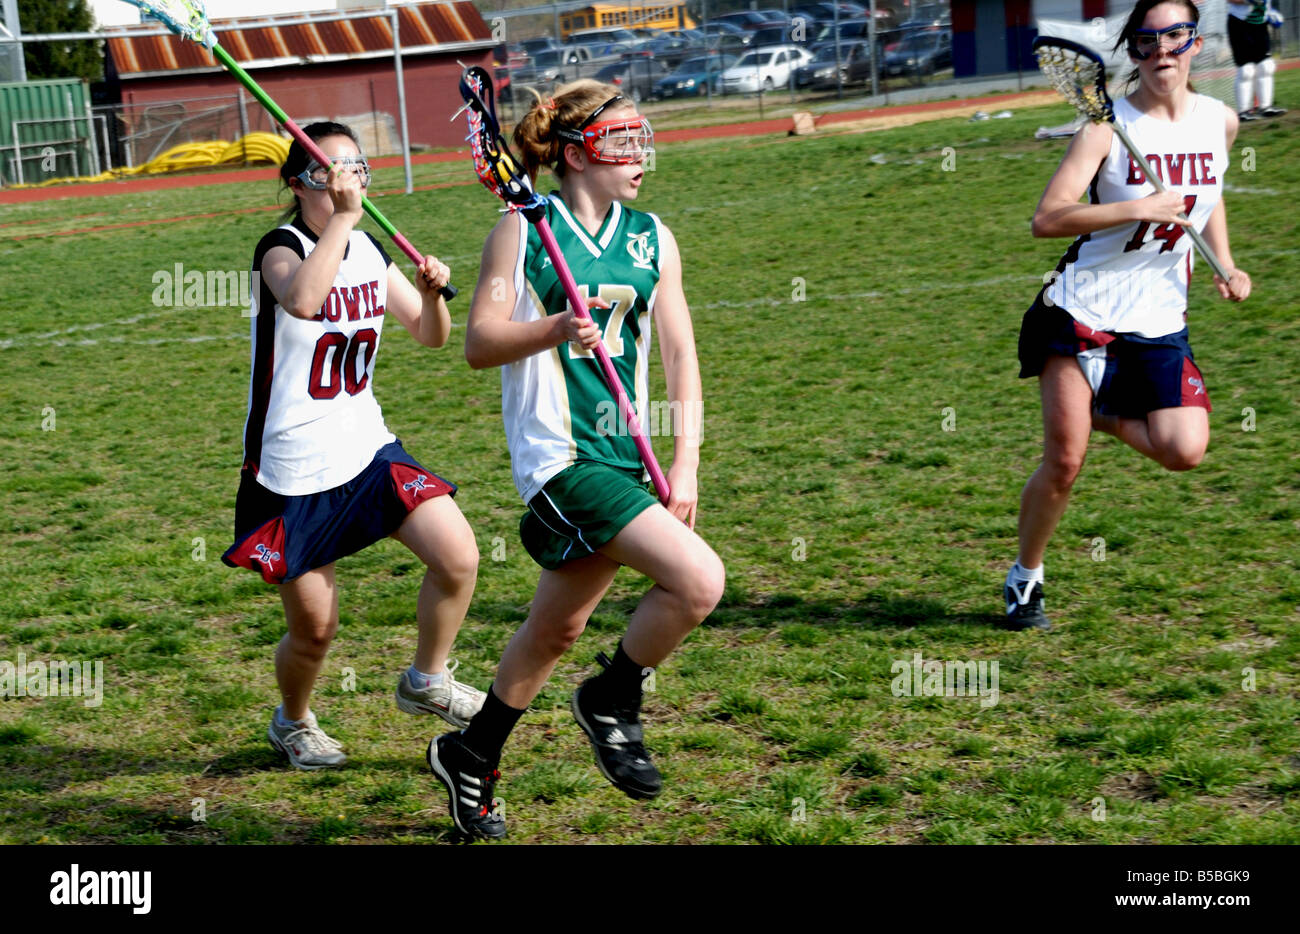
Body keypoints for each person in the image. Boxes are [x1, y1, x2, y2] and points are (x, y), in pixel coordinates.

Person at [427, 82, 725, 838]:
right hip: (560, 457)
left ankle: (472, 752)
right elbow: (478, 343)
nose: (639, 155)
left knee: (555, 631)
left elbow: (682, 354)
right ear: (573, 152)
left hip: (631, 455)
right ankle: (613, 697)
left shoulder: (653, 236)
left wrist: (686, 462)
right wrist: (556, 326)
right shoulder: (521, 231)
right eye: (621, 141)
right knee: (698, 580)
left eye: (639, 138)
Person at [222, 122, 486, 769]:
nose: (347, 178)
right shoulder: (279, 249)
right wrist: (342, 220)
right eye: (329, 169)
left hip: (368, 449)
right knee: (315, 633)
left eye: (356, 166)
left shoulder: (367, 248)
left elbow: (430, 335)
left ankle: (426, 678)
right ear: (298, 182)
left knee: (458, 557)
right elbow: (306, 300)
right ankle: (292, 721)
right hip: (293, 472)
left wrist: (431, 297)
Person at [1005, 0, 1251, 631]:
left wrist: (1226, 263)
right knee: (1063, 461)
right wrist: (1136, 208)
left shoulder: (1220, 121)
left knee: (1184, 449)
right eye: (1146, 40)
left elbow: (1210, 196)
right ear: (1133, 51)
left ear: (1195, 43)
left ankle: (1104, 412)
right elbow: (1047, 219)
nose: (1161, 50)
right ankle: (1025, 579)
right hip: (1083, 306)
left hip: (1159, 316)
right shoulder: (1106, 126)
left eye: (1175, 37)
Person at [1227, 0, 1286, 120]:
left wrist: (1269, 13)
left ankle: (1265, 108)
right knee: (1246, 70)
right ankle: (1243, 112)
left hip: (1260, 24)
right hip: (1239, 23)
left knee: (1266, 66)